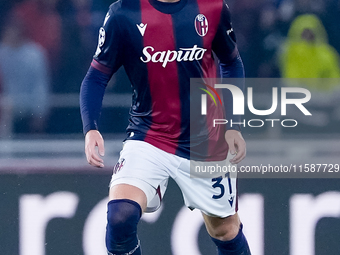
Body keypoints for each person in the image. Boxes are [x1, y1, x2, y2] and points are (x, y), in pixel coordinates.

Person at [80, 0, 251, 254]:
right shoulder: (123, 13)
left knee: (224, 231)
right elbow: (97, 76)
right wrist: (91, 127)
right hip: (149, 136)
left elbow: (231, 62)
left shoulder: (212, 7)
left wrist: (233, 124)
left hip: (207, 140)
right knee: (120, 216)